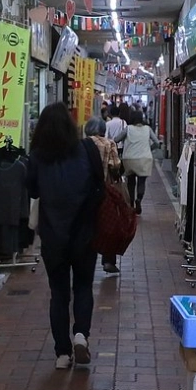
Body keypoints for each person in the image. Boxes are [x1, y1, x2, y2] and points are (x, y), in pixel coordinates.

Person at [27, 102, 104, 370]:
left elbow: (33, 190)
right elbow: (99, 185)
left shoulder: (37, 156)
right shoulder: (86, 149)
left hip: (53, 237)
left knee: (58, 293)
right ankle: (81, 334)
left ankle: (62, 353)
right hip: (84, 234)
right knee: (83, 286)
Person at [84, 117, 123, 275]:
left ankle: (85, 256)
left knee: (87, 223)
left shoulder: (82, 144)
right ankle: (108, 261)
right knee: (108, 224)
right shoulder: (109, 143)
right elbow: (115, 166)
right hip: (105, 189)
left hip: (85, 190)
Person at [120, 110, 160, 215]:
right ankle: (139, 200)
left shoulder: (128, 128)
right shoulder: (147, 129)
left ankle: (131, 203)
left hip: (129, 159)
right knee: (141, 182)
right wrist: (149, 148)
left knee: (131, 182)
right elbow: (157, 142)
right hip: (144, 158)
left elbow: (116, 139)